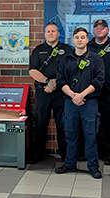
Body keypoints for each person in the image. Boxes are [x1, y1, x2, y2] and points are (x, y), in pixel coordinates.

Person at [54, 27, 105, 179]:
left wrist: (81, 95)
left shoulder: (96, 59)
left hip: (89, 102)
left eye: (83, 37)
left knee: (90, 136)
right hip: (70, 102)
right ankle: (70, 164)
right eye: (77, 37)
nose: (80, 40)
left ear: (87, 39)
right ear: (73, 40)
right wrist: (73, 95)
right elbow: (60, 80)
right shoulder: (66, 60)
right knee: (71, 135)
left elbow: (99, 80)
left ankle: (93, 166)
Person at [28, 22, 72, 164]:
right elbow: (33, 71)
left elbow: (71, 70)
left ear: (58, 34)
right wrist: (48, 82)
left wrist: (55, 84)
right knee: (40, 123)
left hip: (62, 93)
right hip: (43, 92)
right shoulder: (38, 50)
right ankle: (38, 153)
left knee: (63, 124)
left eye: (53, 31)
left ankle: (65, 155)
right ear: (44, 34)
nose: (51, 33)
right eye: (48, 31)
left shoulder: (67, 50)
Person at [87, 19, 110, 165]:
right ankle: (95, 153)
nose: (99, 30)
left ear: (108, 30)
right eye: (96, 28)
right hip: (91, 95)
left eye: (102, 28)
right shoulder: (87, 47)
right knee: (92, 126)